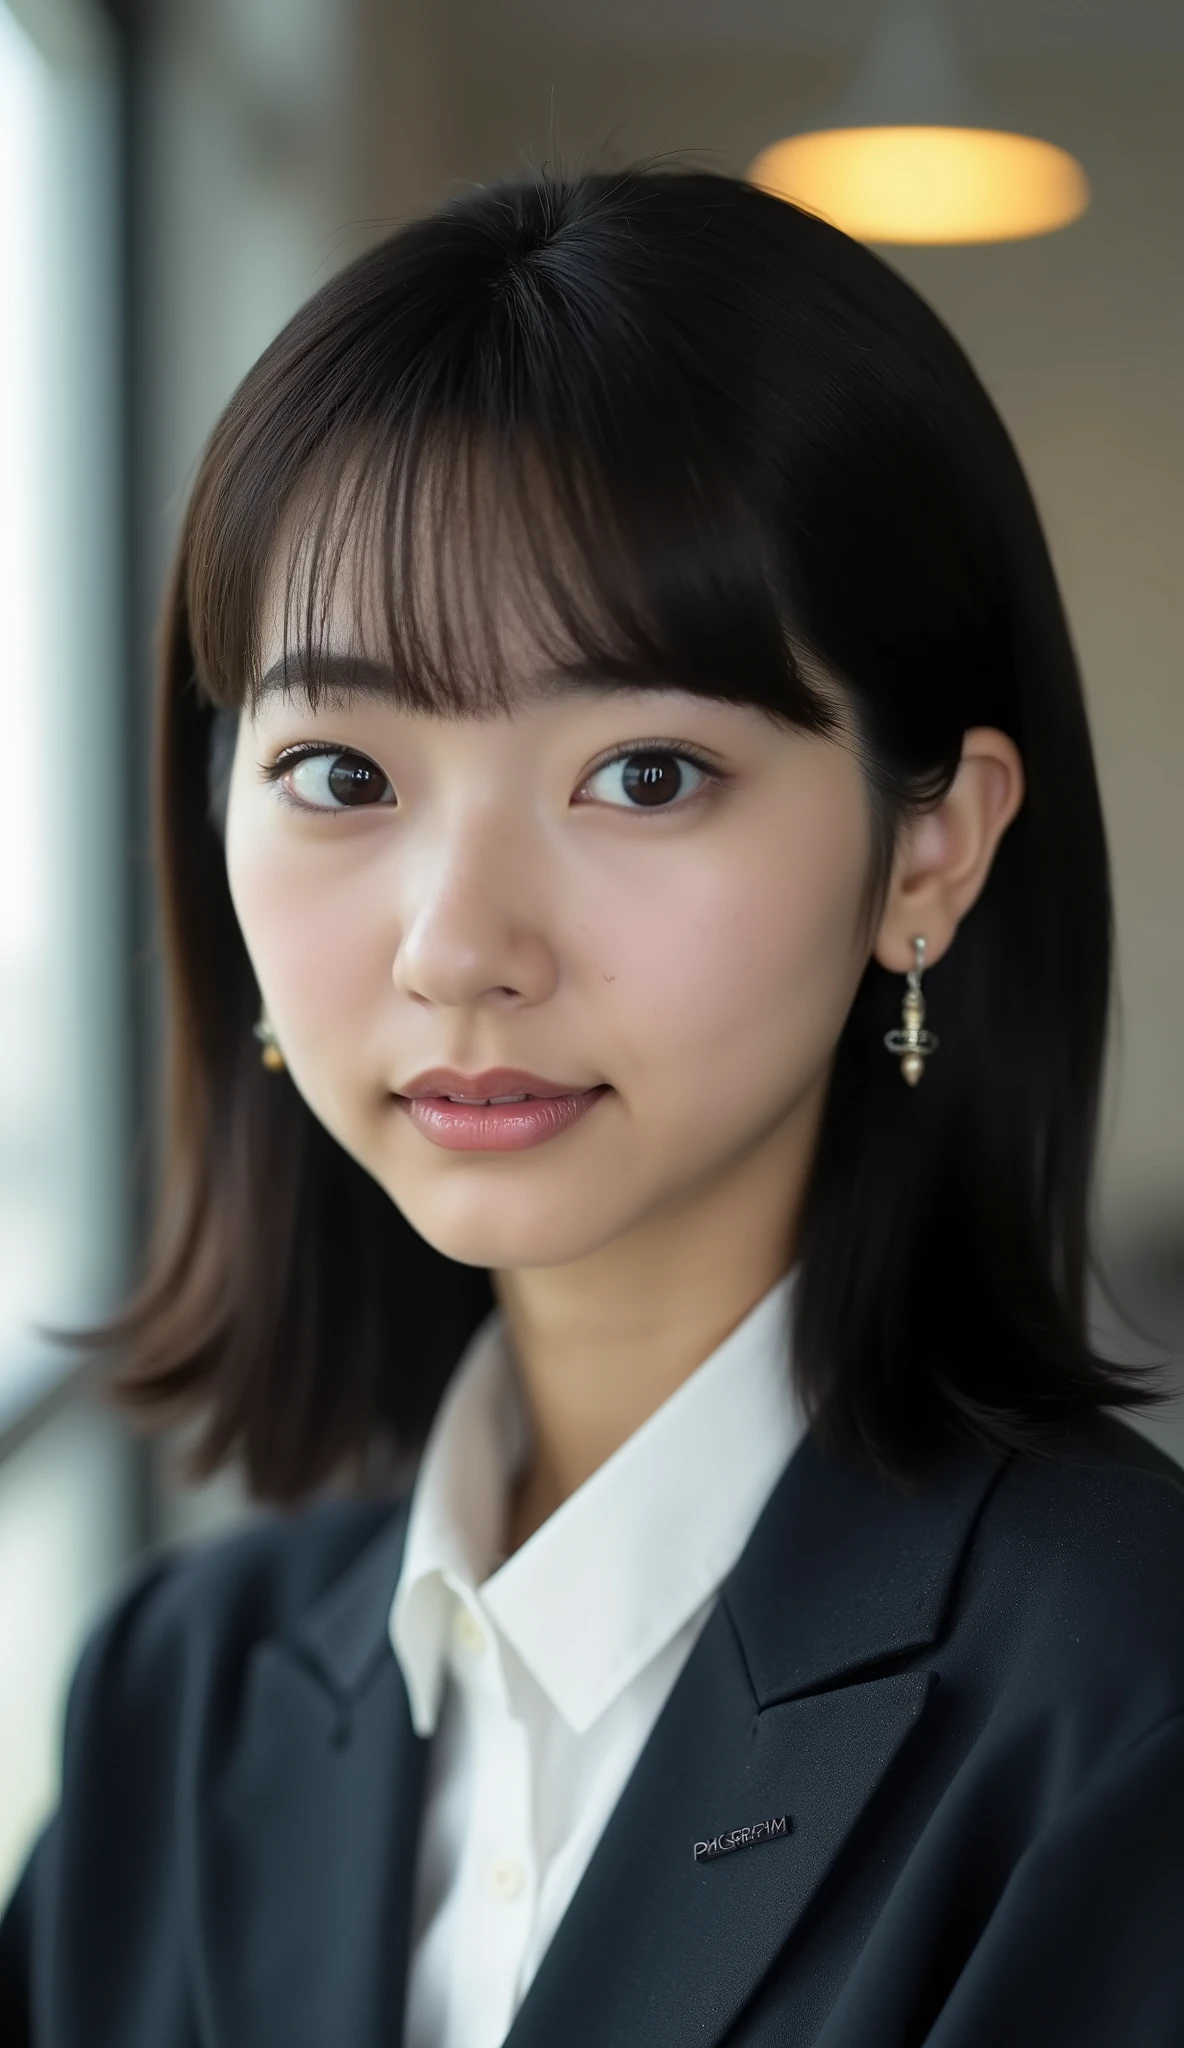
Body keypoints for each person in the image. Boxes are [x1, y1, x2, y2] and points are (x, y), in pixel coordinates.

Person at [2, 165, 1182, 2048]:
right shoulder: (180, 1693)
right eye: (336, 769)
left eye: (642, 773)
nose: (460, 947)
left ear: (928, 851)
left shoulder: (1123, 1713)